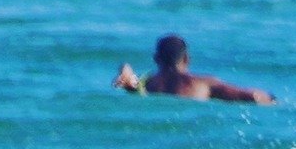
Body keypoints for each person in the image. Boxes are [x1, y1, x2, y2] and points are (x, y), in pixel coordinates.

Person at [113, 35, 275, 104]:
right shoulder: (205, 85)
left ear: (156, 59)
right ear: (186, 59)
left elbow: (130, 79)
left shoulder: (147, 84)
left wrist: (125, 71)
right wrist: (270, 98)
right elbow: (250, 97)